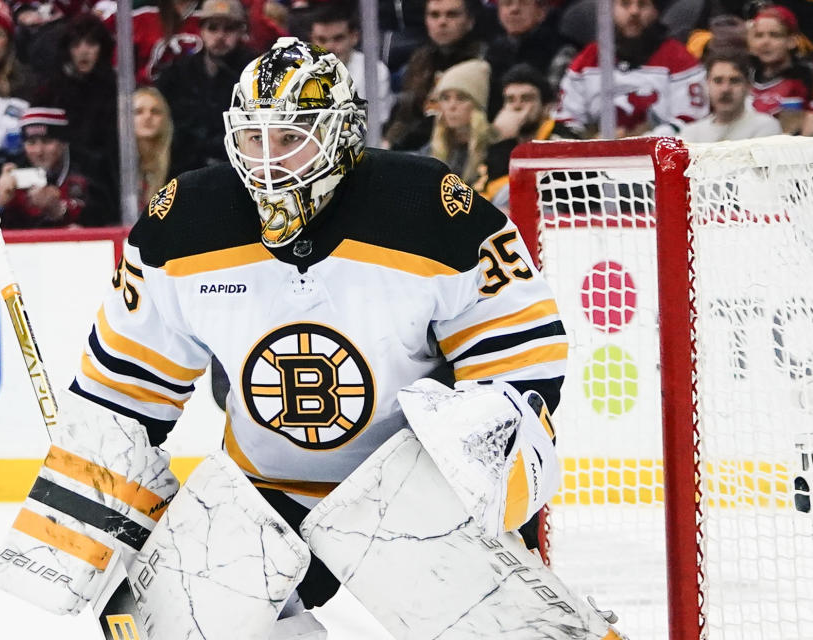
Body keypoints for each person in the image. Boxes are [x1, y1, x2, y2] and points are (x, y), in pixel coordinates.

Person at [67, 37, 574, 630]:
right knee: (182, 622)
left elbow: (522, 347)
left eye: (289, 137)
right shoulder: (184, 222)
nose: (267, 160)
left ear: (340, 135)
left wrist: (485, 464)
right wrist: (95, 508)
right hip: (263, 491)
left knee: (498, 624)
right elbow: (121, 391)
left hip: (414, 484)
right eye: (253, 138)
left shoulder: (427, 207)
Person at [553, 0, 708, 138]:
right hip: (597, 160)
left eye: (642, 4)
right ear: (611, 9)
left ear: (655, 11)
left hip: (659, 161)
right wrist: (592, 144)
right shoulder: (587, 60)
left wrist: (637, 142)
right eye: (625, 4)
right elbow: (566, 121)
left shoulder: (679, 59)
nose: (634, 11)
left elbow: (690, 122)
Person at [154, 0, 256, 174]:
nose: (220, 36)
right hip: (185, 169)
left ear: (241, 31)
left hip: (237, 170)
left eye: (229, 29)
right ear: (201, 30)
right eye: (213, 28)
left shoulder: (255, 72)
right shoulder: (178, 72)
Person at [382, 0, 486, 150]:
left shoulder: (480, 60)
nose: (442, 22)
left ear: (470, 21)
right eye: (434, 15)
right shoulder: (420, 59)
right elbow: (405, 114)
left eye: (452, 15)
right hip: (411, 147)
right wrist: (388, 141)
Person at [0, 107, 117, 227]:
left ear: (63, 143)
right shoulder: (10, 172)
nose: (39, 151)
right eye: (31, 143)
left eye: (47, 142)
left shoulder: (90, 169)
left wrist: (59, 209)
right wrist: (1, 202)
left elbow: (110, 220)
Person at [478, 63, 580, 210]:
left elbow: (524, 193)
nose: (517, 106)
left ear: (546, 107)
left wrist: (505, 141)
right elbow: (486, 191)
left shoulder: (562, 141)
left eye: (526, 99)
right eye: (510, 100)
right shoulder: (499, 140)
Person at [32, 13, 119, 159]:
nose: (83, 51)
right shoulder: (49, 91)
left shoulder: (116, 88)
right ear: (67, 50)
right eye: (76, 44)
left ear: (102, 48)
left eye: (91, 44)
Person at [483, 0, 575, 115]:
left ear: (541, 11)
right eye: (507, 3)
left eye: (524, 3)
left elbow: (553, 99)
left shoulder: (561, 49)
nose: (514, 10)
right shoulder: (491, 51)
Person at [679, 50, 782, 142]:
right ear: (707, 85)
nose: (725, 89)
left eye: (734, 81)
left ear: (748, 86)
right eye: (718, 81)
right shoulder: (691, 134)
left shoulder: (765, 127)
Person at [308, 4, 394, 114]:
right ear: (312, 41)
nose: (329, 47)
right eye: (321, 40)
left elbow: (376, 124)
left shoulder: (375, 72)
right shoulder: (297, 73)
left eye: (338, 38)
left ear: (354, 37)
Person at [422, 58, 494, 185]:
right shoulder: (434, 145)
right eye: (445, 98)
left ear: (477, 105)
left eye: (461, 98)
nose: (452, 106)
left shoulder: (493, 149)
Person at [746, 4, 813, 134]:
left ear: (792, 40)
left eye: (774, 35)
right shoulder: (742, 78)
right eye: (759, 35)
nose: (765, 42)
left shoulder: (808, 79)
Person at [133, 86, 174, 209]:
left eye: (155, 111)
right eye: (138, 112)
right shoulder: (111, 167)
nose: (147, 117)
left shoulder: (180, 165)